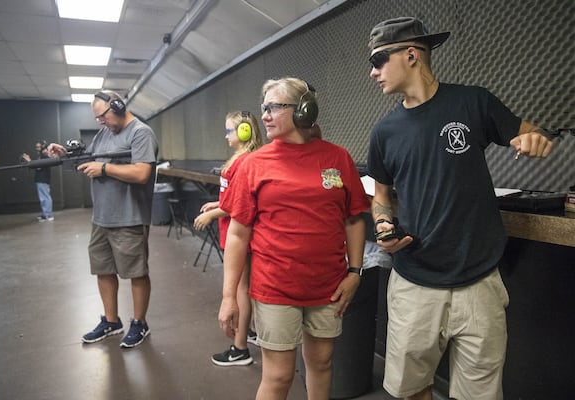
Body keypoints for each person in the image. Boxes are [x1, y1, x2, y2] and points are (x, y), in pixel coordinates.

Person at [365, 17, 554, 400]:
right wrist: (384, 226)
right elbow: (381, 196)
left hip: (479, 282)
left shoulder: (472, 101)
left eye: (380, 60)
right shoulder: (384, 133)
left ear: (412, 54)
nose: (373, 72)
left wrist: (535, 140)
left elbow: (531, 132)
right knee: (411, 389)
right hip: (414, 282)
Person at [218, 77, 371, 399]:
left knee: (322, 362)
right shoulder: (254, 164)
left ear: (304, 110)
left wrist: (355, 272)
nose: (266, 116)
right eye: (265, 108)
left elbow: (354, 218)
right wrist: (229, 296)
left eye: (274, 107)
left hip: (328, 285)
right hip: (275, 285)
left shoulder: (337, 158)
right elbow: (237, 232)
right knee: (278, 376)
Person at [47, 90, 159, 348]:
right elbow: (89, 160)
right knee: (103, 269)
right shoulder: (104, 134)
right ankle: (111, 321)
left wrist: (105, 168)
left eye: (103, 116)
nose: (101, 122)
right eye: (97, 118)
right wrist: (64, 155)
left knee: (136, 272)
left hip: (129, 217)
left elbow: (142, 172)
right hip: (101, 218)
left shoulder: (140, 132)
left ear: (118, 107)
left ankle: (140, 323)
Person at [193, 110, 263, 366]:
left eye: (229, 130)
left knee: (241, 290)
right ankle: (249, 332)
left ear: (244, 131)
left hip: (240, 233)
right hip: (231, 230)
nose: (226, 136)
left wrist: (213, 214)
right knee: (244, 289)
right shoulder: (240, 158)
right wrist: (217, 204)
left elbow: (242, 205)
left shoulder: (246, 161)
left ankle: (240, 347)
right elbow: (232, 198)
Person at [22, 141, 54, 221]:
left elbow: (38, 166)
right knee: (44, 197)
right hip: (41, 179)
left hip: (42, 179)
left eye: (38, 147)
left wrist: (29, 161)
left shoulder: (44, 156)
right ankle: (45, 213)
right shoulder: (42, 156)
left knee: (45, 197)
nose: (37, 149)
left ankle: (48, 215)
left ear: (43, 147)